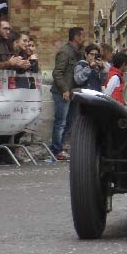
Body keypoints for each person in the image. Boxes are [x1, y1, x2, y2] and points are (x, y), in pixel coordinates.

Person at [50, 27, 85, 161]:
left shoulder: (78, 53)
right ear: (76, 37)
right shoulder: (65, 52)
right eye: (82, 36)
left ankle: (62, 148)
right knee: (61, 122)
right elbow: (57, 73)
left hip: (73, 93)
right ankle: (56, 150)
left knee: (70, 121)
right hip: (61, 93)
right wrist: (65, 89)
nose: (83, 39)